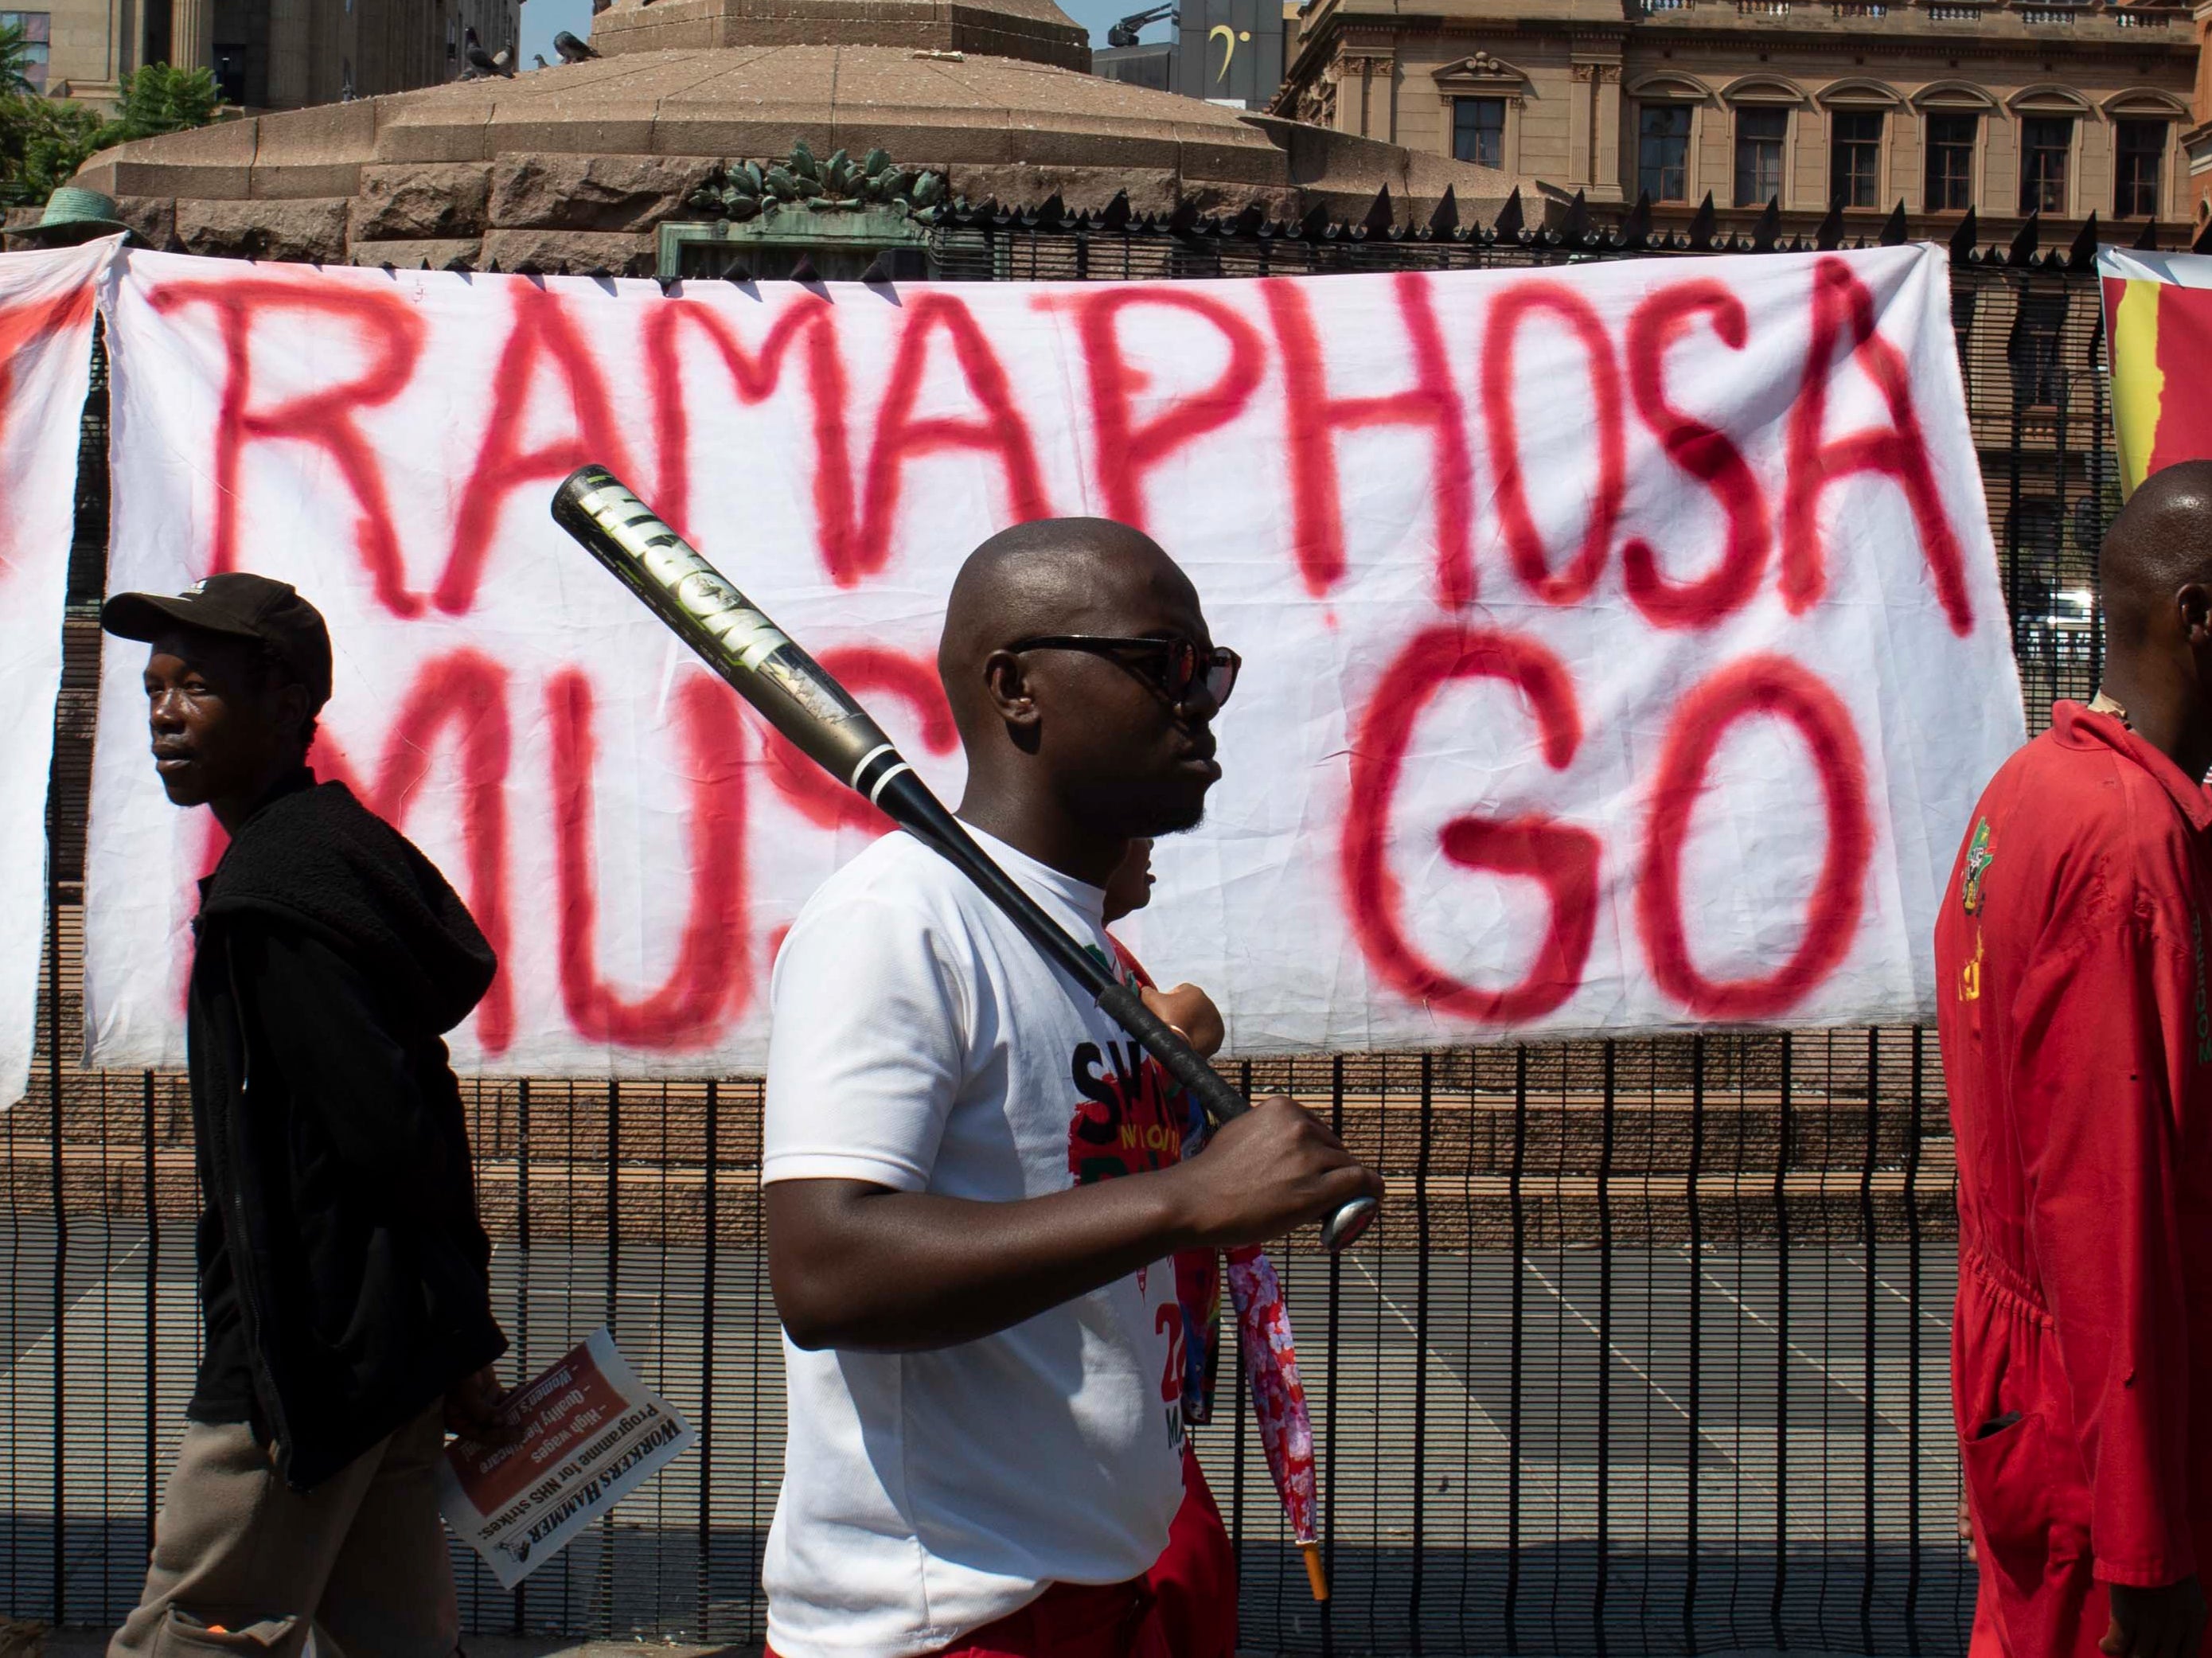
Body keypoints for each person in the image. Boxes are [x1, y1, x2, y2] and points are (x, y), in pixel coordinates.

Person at [762, 518, 1383, 1658]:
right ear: (1016, 688)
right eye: (1162, 664)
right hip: (947, 1617)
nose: (1197, 701)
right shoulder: (894, 922)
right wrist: (1190, 1197)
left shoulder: (1080, 944)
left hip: (1104, 1577)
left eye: (1209, 669)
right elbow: (824, 1266)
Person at [101, 573, 513, 1658]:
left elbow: (389, 1132)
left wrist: (461, 1330)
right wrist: (455, 1332)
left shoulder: (275, 899)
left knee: (196, 1630)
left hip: (304, 1364)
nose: (164, 713)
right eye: (153, 688)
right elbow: (410, 1119)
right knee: (393, 1635)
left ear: (286, 703)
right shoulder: (318, 861)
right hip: (388, 1353)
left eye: (197, 686)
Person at [1935, 460, 2212, 1658]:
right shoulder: (2123, 844)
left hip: (2029, 1397)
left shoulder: (2029, 784)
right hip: (2099, 1430)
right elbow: (2111, 1217)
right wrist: (2143, 1554)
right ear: (2197, 613)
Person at [1101, 838, 1236, 1658]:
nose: (1147, 842)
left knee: (1189, 1571)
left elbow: (1193, 1011)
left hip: (1154, 1348)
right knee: (1182, 1570)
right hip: (1103, 1366)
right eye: (1130, 830)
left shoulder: (1102, 953)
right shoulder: (1056, 952)